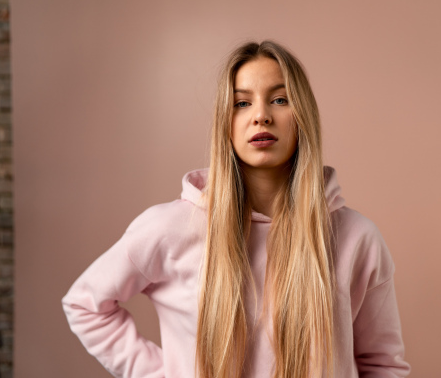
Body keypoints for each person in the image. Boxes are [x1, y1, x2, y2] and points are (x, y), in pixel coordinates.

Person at [62, 40, 411, 378]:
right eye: (242, 103)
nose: (261, 116)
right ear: (224, 123)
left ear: (303, 116)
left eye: (279, 99)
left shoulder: (357, 238)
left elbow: (383, 365)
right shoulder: (170, 228)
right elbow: (85, 304)